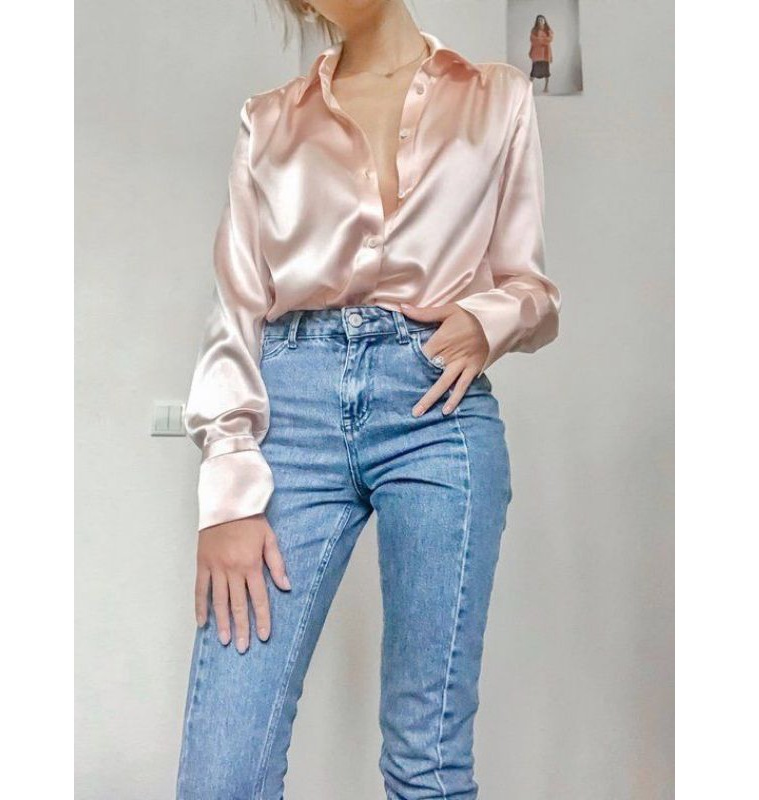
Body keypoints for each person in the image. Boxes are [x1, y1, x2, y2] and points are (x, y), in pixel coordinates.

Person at [176, 2, 562, 798]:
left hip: (436, 411)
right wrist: (226, 490)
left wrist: (488, 319)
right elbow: (235, 307)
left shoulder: (498, 97)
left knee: (428, 759)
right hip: (291, 408)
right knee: (223, 773)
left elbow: (530, 284)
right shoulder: (269, 120)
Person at [529, 14, 554, 93]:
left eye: (542, 20)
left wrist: (539, 40)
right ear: (537, 21)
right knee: (533, 72)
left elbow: (549, 39)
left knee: (546, 72)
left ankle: (546, 88)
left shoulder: (548, 30)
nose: (541, 21)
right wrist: (543, 40)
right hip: (537, 54)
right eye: (539, 20)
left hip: (545, 54)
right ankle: (528, 88)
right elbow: (533, 40)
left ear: (544, 21)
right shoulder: (534, 30)